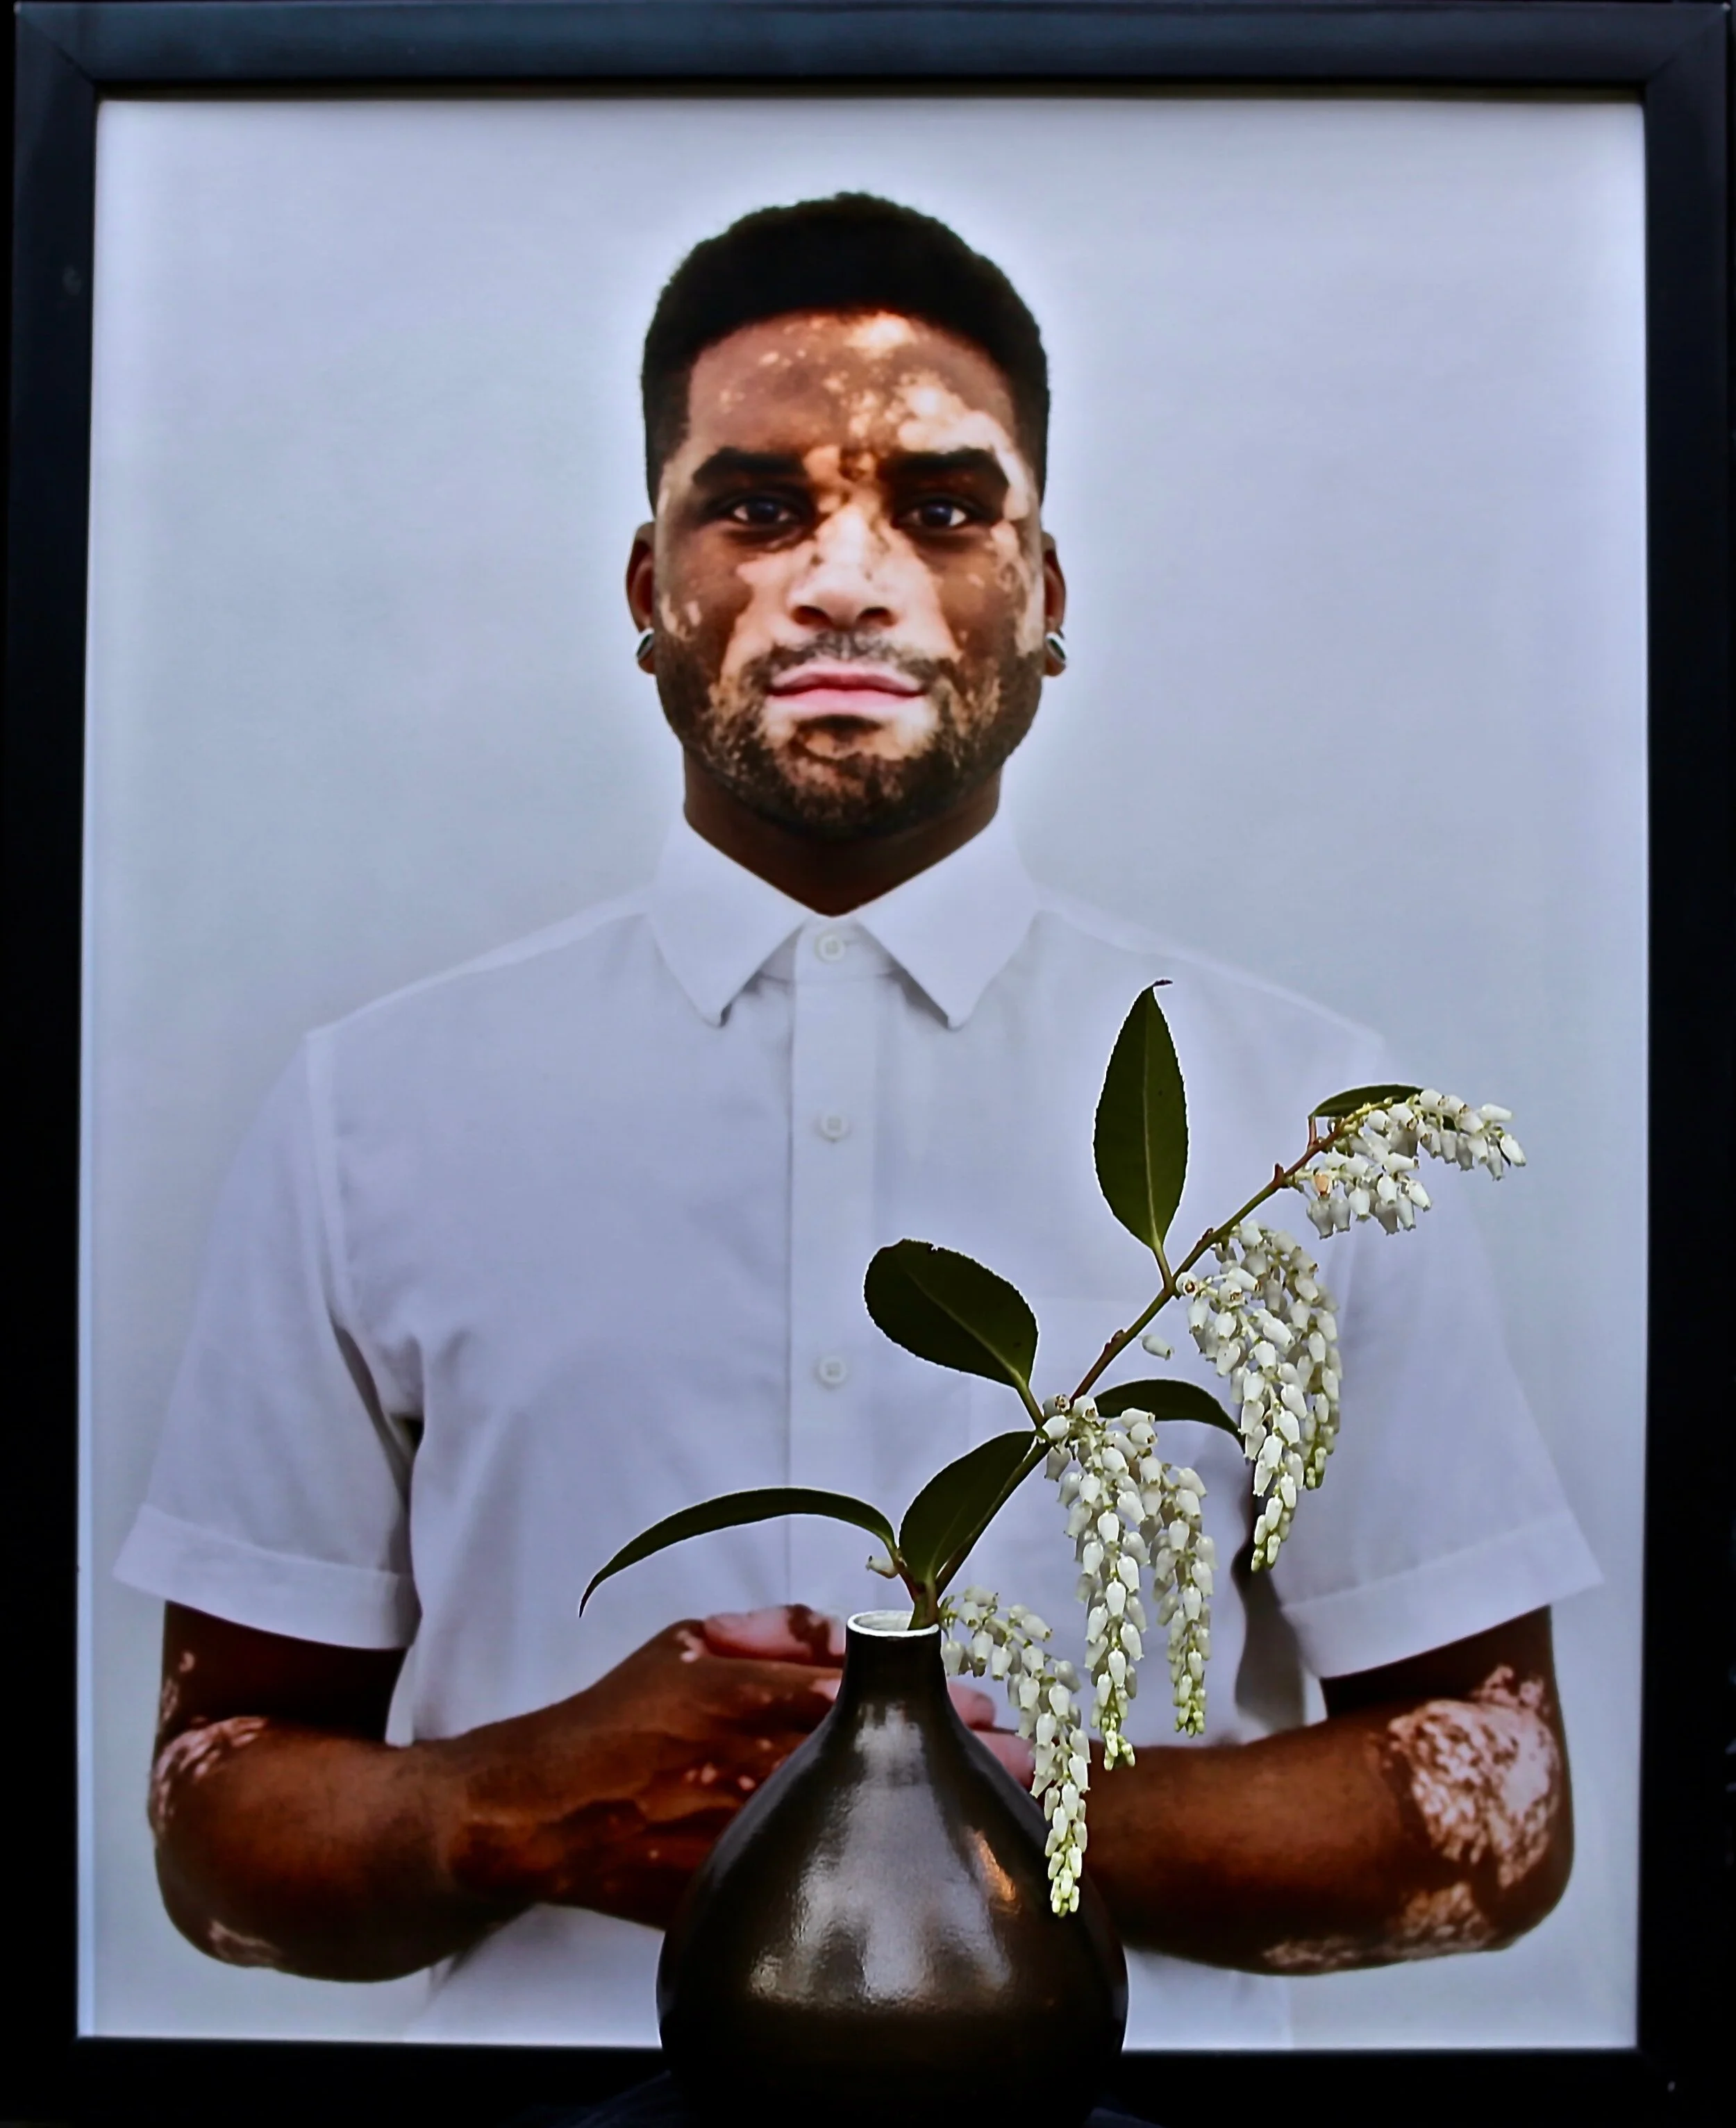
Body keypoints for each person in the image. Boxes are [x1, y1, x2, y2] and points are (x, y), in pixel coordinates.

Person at [117, 194, 1599, 2046]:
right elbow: (218, 1820)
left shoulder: (1300, 1125)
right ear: (647, 591)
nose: (843, 583)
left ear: (1045, 597)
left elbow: (1499, 1796)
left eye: (943, 510)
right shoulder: (374, 1111)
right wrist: (507, 1804)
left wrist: (981, 1810)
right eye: (755, 509)